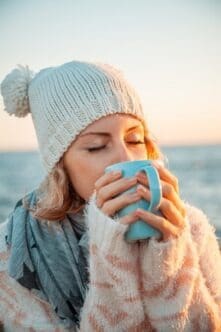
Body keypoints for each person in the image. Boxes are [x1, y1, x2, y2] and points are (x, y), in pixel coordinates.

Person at [0, 61, 221, 332]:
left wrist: (171, 261)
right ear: (60, 166)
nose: (126, 158)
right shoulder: (15, 254)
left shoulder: (191, 227)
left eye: (135, 140)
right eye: (96, 147)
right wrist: (112, 261)